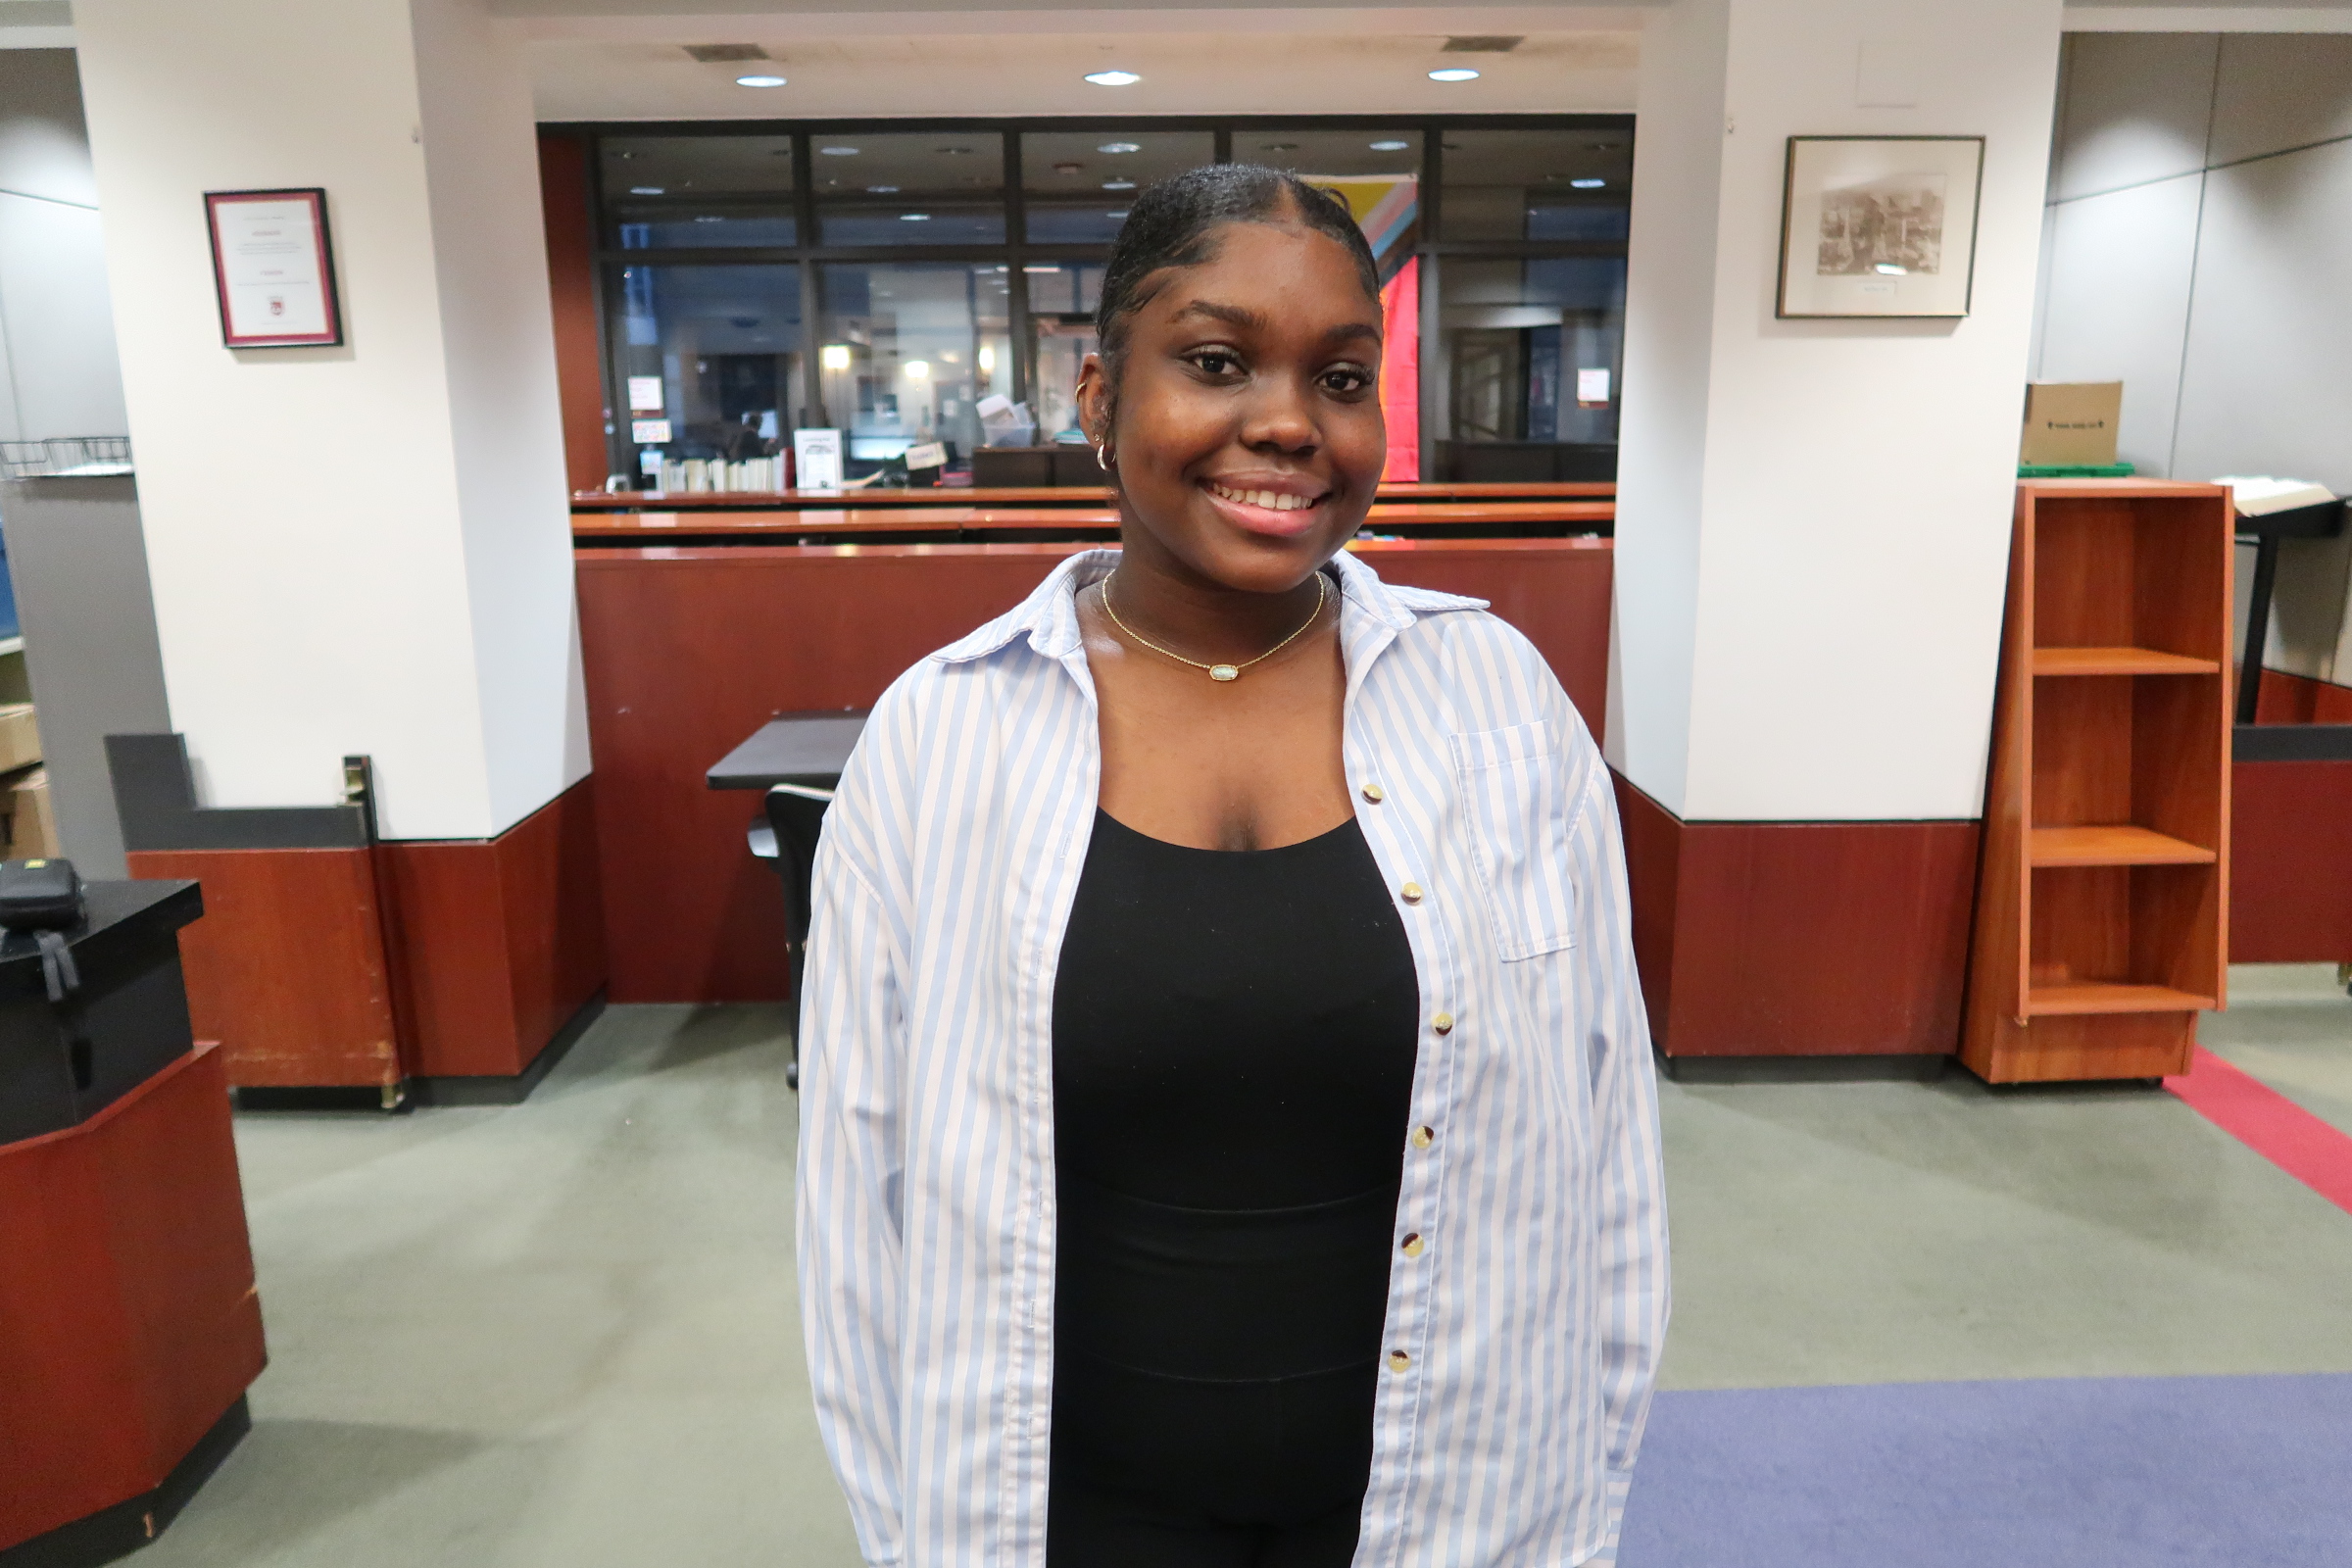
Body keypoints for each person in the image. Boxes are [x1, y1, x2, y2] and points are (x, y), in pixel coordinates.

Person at [798, 165, 1667, 1568]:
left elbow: (1605, 1141)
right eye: (1214, 362)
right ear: (1096, 396)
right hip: (1065, 1514)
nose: (1286, 421)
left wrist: (1584, 1503)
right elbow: (858, 1208)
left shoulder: (1498, 707)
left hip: (1441, 1509)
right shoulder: (942, 739)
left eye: (1339, 376)